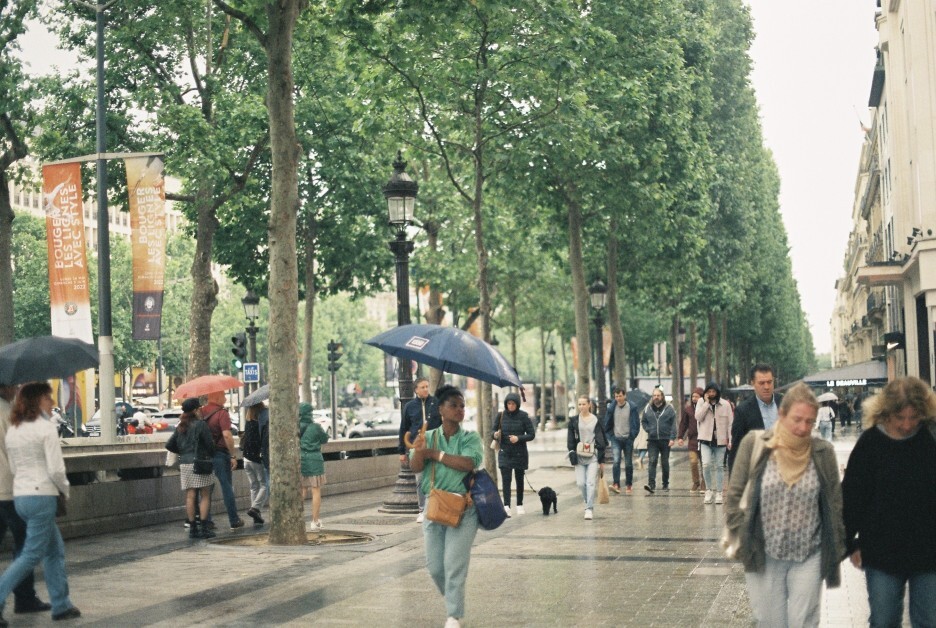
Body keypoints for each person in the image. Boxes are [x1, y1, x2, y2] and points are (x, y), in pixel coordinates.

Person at [724, 383, 844, 628]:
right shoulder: (755, 444)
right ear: (782, 414)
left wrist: (838, 544)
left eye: (809, 422)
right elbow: (734, 495)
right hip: (764, 552)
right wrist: (742, 533)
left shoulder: (823, 452)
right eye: (797, 419)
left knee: (804, 622)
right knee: (770, 621)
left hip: (809, 553)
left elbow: (835, 502)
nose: (803, 428)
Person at [842, 377, 936, 627]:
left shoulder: (930, 438)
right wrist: (850, 544)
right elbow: (852, 498)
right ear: (885, 413)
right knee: (884, 620)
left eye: (914, 418)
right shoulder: (870, 444)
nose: (907, 425)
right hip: (881, 552)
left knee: (929, 620)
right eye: (900, 418)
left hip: (929, 551)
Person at [0, 382, 80, 624]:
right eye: (48, 398)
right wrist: (64, 490)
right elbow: (56, 469)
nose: (52, 402)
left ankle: (61, 604)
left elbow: (14, 466)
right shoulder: (45, 428)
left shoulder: (15, 429)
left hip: (21, 496)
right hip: (42, 496)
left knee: (54, 550)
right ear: (36, 401)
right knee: (31, 554)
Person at [409, 385, 483, 628]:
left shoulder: (470, 437)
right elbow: (415, 467)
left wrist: (436, 454)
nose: (460, 409)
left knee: (454, 564)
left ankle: (453, 615)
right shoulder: (428, 436)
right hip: (434, 506)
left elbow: (468, 463)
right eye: (453, 405)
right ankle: (453, 598)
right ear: (440, 409)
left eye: (462, 406)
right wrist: (420, 451)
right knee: (435, 567)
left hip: (464, 508)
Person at [0, 383, 50, 616]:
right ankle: (24, 598)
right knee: (24, 546)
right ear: (5, 387)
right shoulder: (9, 413)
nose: (16, 389)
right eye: (14, 386)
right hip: (11, 489)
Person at [165, 398, 216, 539]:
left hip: (185, 464)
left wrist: (183, 451)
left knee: (190, 495)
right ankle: (204, 527)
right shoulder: (201, 425)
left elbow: (169, 445)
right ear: (195, 410)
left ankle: (193, 528)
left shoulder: (181, 426)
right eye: (199, 408)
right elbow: (210, 445)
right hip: (200, 463)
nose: (200, 410)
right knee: (205, 495)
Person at [399, 377, 442, 523]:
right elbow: (403, 428)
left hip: (434, 446)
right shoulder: (409, 407)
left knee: (437, 478)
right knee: (421, 479)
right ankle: (422, 510)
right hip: (416, 448)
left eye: (427, 386)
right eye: (422, 387)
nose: (425, 389)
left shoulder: (436, 403)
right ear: (416, 390)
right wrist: (401, 451)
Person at [201, 391, 244, 529]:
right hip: (220, 454)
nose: (225, 398)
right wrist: (232, 455)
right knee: (226, 486)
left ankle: (206, 521)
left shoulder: (200, 412)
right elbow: (227, 435)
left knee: (206, 490)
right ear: (216, 397)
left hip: (204, 455)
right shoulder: (222, 413)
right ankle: (234, 519)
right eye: (223, 396)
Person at [729, 364, 781, 473]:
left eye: (769, 382)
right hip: (757, 471)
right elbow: (737, 449)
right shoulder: (743, 411)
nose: (766, 387)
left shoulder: (785, 403)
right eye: (762, 383)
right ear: (752, 383)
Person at [493, 392, 535, 516]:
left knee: (519, 479)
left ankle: (519, 504)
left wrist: (518, 438)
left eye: (513, 404)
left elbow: (531, 434)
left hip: (519, 453)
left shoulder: (523, 416)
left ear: (517, 404)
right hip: (505, 452)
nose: (510, 406)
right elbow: (492, 430)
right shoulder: (501, 415)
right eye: (509, 403)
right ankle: (506, 505)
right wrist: (495, 434)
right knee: (506, 480)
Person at [567, 395, 607, 519]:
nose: (581, 406)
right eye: (579, 404)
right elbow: (570, 439)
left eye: (584, 404)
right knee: (580, 483)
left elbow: (601, 440)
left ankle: (589, 508)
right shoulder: (574, 421)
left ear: (589, 405)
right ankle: (587, 501)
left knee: (590, 483)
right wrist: (571, 451)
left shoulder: (596, 420)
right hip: (579, 456)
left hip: (592, 456)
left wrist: (601, 460)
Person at [694, 383, 733, 504]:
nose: (711, 394)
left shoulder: (725, 404)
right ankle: (709, 490)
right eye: (709, 391)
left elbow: (730, 423)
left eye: (713, 391)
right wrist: (706, 404)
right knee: (706, 464)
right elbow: (698, 417)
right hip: (705, 439)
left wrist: (730, 439)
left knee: (720, 466)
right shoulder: (701, 402)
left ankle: (719, 492)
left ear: (717, 392)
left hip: (720, 440)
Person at [603, 387, 639, 495]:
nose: (618, 398)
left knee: (628, 463)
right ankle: (616, 484)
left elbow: (636, 424)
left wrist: (632, 436)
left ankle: (629, 484)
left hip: (628, 439)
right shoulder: (612, 408)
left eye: (620, 396)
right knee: (616, 461)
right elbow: (607, 423)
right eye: (616, 396)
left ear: (625, 396)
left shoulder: (631, 407)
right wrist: (611, 436)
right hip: (616, 439)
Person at [299, 402, 329, 530]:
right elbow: (325, 439)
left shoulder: (295, 427)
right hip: (315, 461)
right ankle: (315, 521)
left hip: (300, 459)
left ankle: (297, 519)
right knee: (315, 490)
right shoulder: (315, 427)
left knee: (302, 490)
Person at [641, 387, 676, 494]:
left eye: (658, 395)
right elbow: (643, 421)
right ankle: (651, 485)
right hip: (652, 440)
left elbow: (673, 424)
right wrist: (648, 429)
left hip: (665, 439)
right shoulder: (647, 408)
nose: (656, 397)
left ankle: (665, 484)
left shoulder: (669, 408)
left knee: (664, 462)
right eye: (654, 395)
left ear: (662, 396)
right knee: (652, 461)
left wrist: (672, 438)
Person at [240, 403, 268, 525]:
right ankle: (255, 508)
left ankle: (256, 515)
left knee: (254, 486)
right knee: (265, 485)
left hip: (246, 459)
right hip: (256, 459)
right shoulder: (260, 424)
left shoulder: (248, 423)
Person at [677, 387, 706, 495]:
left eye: (697, 396)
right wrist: (680, 437)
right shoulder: (688, 410)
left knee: (705, 464)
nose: (694, 398)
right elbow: (683, 424)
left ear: (702, 398)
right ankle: (696, 482)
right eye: (693, 396)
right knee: (693, 462)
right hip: (693, 440)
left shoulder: (706, 408)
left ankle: (704, 482)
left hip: (704, 440)